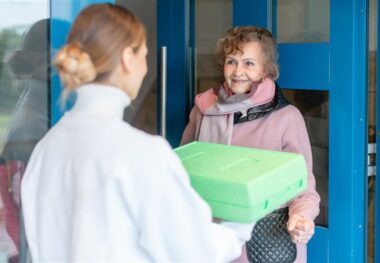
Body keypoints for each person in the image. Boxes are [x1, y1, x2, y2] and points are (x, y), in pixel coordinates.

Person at [21, 3, 254, 262]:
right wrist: (241, 223)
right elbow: (193, 251)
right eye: (144, 55)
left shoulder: (46, 149)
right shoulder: (141, 153)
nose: (145, 68)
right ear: (127, 59)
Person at [181, 26, 320, 263]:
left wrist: (302, 218)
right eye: (231, 61)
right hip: (212, 242)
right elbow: (184, 172)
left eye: (249, 63)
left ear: (266, 70)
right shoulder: (203, 110)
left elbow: (303, 185)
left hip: (266, 243)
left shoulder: (286, 117)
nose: (238, 71)